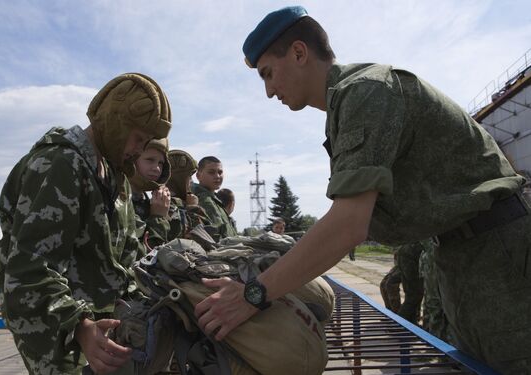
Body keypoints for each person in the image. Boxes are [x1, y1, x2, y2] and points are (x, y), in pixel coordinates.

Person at [194, 6, 531, 373]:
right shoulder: (343, 107)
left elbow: (348, 224)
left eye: (268, 74)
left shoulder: (366, 92)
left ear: (299, 53)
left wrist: (251, 295)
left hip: (496, 254)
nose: (269, 90)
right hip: (458, 255)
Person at [0, 73, 172, 374]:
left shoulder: (116, 179)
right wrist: (80, 327)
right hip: (53, 325)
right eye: (138, 138)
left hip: (98, 320)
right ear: (115, 120)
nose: (139, 150)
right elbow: (29, 271)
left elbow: (126, 259)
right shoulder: (60, 164)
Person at [129, 138, 181, 250]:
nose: (157, 168)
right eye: (149, 160)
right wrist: (158, 217)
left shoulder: (151, 200)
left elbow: (174, 241)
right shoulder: (120, 199)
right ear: (132, 160)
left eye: (161, 163)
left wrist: (168, 209)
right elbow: (143, 253)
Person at [191, 156, 237, 240]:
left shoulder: (214, 199)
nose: (217, 176)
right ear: (198, 176)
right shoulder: (202, 199)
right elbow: (216, 235)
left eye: (220, 172)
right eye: (211, 172)